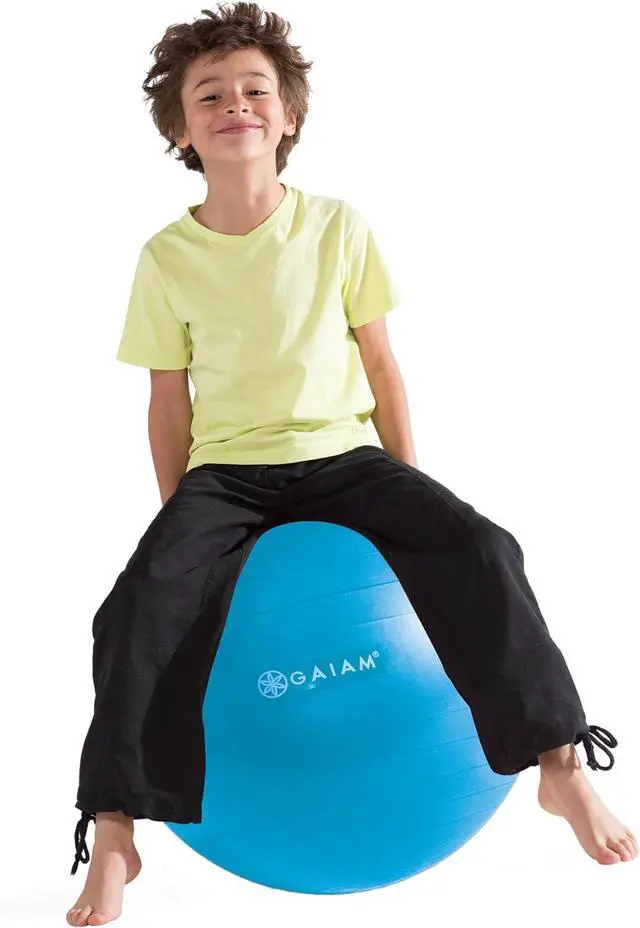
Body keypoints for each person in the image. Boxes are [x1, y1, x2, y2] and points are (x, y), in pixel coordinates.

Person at [65, 3, 637, 926]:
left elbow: (380, 364)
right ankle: (117, 825)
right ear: (181, 131)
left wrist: (414, 489)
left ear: (288, 115)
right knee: (134, 610)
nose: (236, 104)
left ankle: (560, 762)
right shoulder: (166, 258)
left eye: (256, 90)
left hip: (343, 459)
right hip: (227, 478)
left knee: (484, 547)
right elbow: (168, 402)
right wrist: (180, 528)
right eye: (210, 95)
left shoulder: (336, 227)